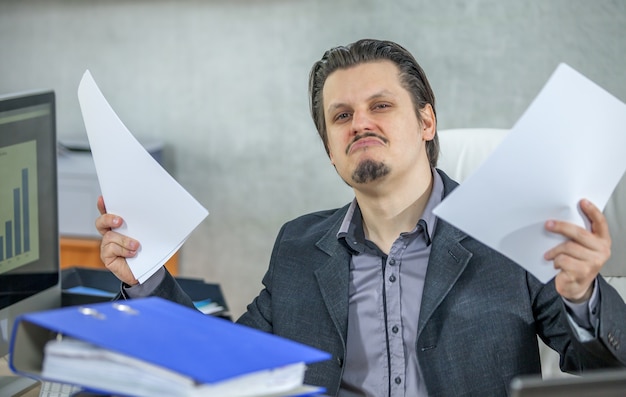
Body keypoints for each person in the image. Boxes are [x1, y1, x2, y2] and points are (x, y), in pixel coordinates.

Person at [95, 39, 626, 396]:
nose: (360, 124)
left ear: (426, 121)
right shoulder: (299, 247)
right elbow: (224, 363)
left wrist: (582, 296)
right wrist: (144, 277)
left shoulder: (508, 231)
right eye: (341, 116)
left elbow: (608, 374)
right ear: (329, 146)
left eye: (381, 106)